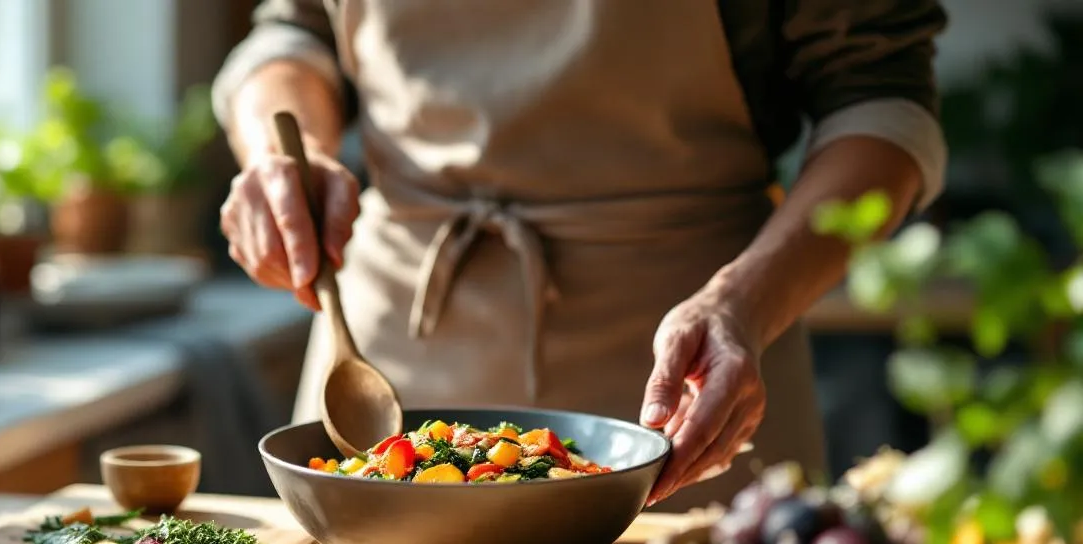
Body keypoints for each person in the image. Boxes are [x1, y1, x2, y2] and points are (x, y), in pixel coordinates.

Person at [213, 0, 946, 511]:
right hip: (394, 334)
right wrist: (284, 156)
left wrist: (743, 304)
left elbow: (880, 103)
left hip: (694, 373)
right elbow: (293, 37)